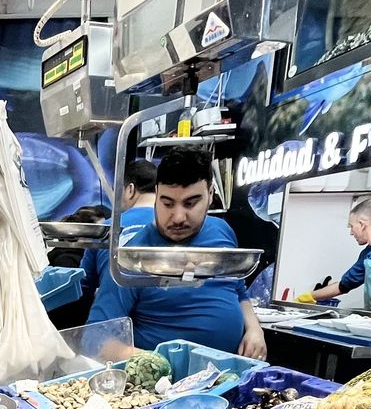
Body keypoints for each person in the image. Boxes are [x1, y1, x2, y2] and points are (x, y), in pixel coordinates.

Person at [87, 149, 267, 360]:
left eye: (190, 203)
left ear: (210, 194)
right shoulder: (133, 259)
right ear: (156, 194)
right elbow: (95, 338)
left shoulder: (221, 231)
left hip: (231, 372)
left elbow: (239, 291)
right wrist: (157, 362)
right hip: (167, 384)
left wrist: (255, 330)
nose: (178, 217)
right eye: (168, 203)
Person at [300, 195, 371, 314]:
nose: (351, 233)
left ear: (362, 224)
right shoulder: (368, 252)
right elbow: (344, 285)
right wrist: (308, 297)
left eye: (351, 226)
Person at [81, 158, 158, 302]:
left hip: (115, 314)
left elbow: (84, 284)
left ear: (130, 190)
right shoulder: (173, 227)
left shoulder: (104, 229)